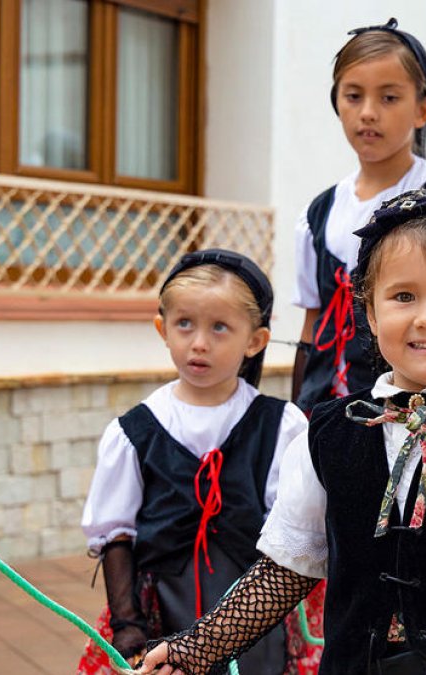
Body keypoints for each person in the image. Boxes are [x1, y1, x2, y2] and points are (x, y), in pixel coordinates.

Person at [139, 190, 426, 675]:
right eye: (404, 296)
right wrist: (196, 648)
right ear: (371, 311)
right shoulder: (326, 437)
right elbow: (283, 571)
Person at [76, 250, 306, 674]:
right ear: (162, 328)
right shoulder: (134, 433)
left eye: (220, 327)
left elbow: (292, 532)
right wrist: (128, 624)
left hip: (251, 614)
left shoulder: (282, 427)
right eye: (185, 324)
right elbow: (115, 534)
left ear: (255, 340)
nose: (199, 342)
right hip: (162, 611)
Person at [291, 18, 426, 413]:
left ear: (423, 109)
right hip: (330, 413)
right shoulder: (318, 214)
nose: (367, 113)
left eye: (389, 98)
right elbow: (313, 326)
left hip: (424, 410)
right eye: (353, 96)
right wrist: (298, 409)